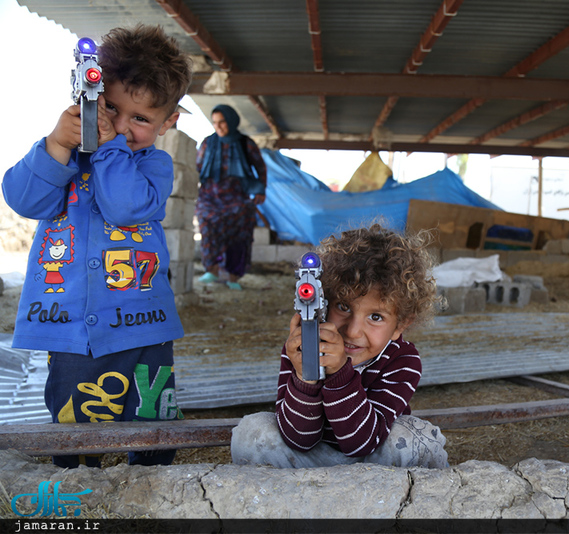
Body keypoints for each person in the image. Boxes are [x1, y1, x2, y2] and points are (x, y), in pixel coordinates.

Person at [2, 24, 191, 468]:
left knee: (151, 434)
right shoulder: (63, 155)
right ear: (90, 99)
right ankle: (81, 499)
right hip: (70, 331)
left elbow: (124, 206)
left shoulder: (153, 164)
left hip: (144, 327)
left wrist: (107, 147)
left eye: (141, 119)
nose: (122, 128)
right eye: (110, 108)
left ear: (168, 123)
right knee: (74, 436)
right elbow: (23, 199)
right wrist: (55, 144)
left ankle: (150, 500)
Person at [231, 224, 448, 468]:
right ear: (323, 303)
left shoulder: (402, 360)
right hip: (307, 462)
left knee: (415, 439)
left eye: (376, 317)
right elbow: (298, 439)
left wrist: (339, 375)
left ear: (401, 325)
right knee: (251, 431)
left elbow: (363, 443)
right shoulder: (302, 347)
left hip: (375, 467)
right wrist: (305, 375)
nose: (353, 331)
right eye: (343, 307)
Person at [195, 104, 267, 291]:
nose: (218, 127)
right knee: (207, 227)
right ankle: (212, 269)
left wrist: (260, 190)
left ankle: (233, 275)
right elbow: (197, 168)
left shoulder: (245, 143)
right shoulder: (207, 143)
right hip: (210, 197)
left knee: (239, 234)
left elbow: (260, 167)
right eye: (215, 123)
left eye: (222, 122)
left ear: (232, 121)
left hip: (236, 197)